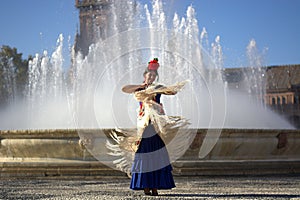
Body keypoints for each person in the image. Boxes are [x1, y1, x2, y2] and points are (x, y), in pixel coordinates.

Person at [121, 58, 187, 196]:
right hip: (144, 126)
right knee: (144, 154)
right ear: (145, 76)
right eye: (149, 75)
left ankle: (155, 186)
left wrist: (161, 89)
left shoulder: (157, 88)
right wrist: (141, 86)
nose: (151, 77)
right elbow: (124, 89)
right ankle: (145, 185)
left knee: (158, 154)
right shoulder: (140, 89)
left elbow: (173, 92)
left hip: (155, 126)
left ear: (156, 77)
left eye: (153, 75)